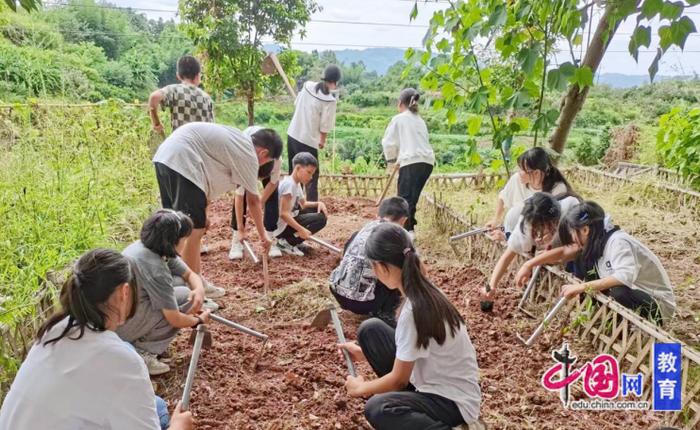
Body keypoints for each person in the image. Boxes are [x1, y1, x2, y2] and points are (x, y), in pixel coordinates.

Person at [0, 249, 193, 430]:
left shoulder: (53, 330)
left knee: (156, 405)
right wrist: (179, 426)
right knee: (161, 414)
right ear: (124, 292)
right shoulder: (123, 363)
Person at [339, 223, 482, 430]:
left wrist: (361, 388)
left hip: (452, 402)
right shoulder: (423, 291)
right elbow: (415, 348)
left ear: (382, 267)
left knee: (378, 408)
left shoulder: (413, 311)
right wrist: (365, 354)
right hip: (436, 382)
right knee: (371, 330)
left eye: (373, 266)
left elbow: (398, 380)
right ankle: (413, 406)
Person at [152, 122, 282, 296]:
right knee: (192, 231)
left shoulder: (238, 140)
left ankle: (189, 282)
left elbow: (205, 185)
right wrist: (263, 235)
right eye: (267, 161)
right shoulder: (249, 155)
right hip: (183, 160)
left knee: (177, 226)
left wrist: (204, 213)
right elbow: (253, 201)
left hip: (166, 158)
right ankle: (193, 291)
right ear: (263, 153)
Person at [515, 201, 676, 325]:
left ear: (585, 230)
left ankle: (634, 328)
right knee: (583, 261)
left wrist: (581, 287)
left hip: (658, 306)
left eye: (572, 233)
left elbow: (624, 277)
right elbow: (564, 252)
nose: (572, 239)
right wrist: (529, 264)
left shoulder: (618, 242)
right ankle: (606, 319)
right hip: (637, 294)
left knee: (619, 291)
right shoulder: (596, 243)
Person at [117, 210, 213, 376]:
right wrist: (197, 321)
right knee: (184, 299)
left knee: (182, 286)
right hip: (120, 326)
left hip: (125, 311)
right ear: (173, 241)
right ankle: (143, 352)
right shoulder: (155, 268)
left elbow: (189, 274)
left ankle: (147, 341)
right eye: (184, 238)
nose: (186, 242)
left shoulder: (151, 247)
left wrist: (199, 290)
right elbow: (174, 318)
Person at [482, 192, 581, 302]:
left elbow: (575, 249)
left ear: (554, 220)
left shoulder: (571, 210)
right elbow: (507, 256)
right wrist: (492, 285)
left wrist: (531, 263)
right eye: (536, 229)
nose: (538, 233)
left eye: (542, 228)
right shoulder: (526, 225)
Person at [329, 197, 409, 326]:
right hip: (365, 303)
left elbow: (344, 255)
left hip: (338, 294)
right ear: (404, 220)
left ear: (377, 215)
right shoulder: (397, 234)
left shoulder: (363, 229)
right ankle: (386, 313)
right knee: (397, 270)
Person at [486, 147, 574, 240]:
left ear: (536, 173)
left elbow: (550, 228)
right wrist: (496, 219)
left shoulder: (558, 190)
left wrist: (507, 238)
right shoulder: (517, 179)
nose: (518, 172)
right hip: (515, 234)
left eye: (522, 169)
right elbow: (503, 197)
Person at [381, 88, 435, 240]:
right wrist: (400, 160)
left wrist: (392, 161)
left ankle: (405, 232)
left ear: (400, 103)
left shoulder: (399, 118)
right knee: (412, 198)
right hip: (427, 163)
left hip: (411, 162)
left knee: (404, 199)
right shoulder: (420, 120)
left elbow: (389, 143)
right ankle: (409, 229)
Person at [286, 64, 341, 201]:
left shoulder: (307, 86)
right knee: (311, 176)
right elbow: (325, 125)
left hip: (292, 134)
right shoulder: (329, 101)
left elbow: (296, 103)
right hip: (308, 142)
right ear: (334, 82)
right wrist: (322, 141)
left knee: (294, 173)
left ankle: (289, 206)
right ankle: (310, 212)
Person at [229, 126, 283, 260]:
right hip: (249, 156)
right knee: (241, 196)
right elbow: (240, 197)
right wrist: (241, 229)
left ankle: (270, 236)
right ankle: (236, 238)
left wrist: (261, 201)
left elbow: (273, 183)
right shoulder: (244, 160)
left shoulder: (275, 160)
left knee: (272, 197)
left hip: (262, 155)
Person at [273, 152, 328, 256]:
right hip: (280, 227)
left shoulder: (296, 184)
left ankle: (295, 240)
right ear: (298, 168)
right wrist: (301, 229)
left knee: (317, 212)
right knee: (320, 219)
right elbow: (283, 214)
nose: (311, 177)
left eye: (312, 174)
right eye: (309, 172)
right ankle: (287, 243)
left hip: (288, 221)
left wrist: (318, 203)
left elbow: (303, 204)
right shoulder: (289, 185)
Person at [148, 55, 214, 134]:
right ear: (198, 76)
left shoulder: (174, 90)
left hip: (181, 143)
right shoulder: (206, 98)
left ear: (178, 76)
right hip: (201, 144)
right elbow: (211, 127)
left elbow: (154, 97)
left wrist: (156, 124)